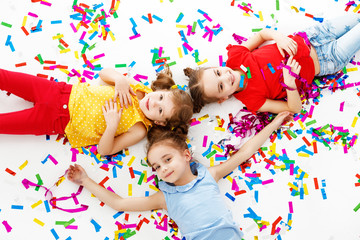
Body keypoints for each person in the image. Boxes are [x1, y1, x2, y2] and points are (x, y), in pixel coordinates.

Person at [67, 111, 293, 239]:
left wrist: (273, 124)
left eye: (167, 159)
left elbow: (244, 152)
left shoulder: (209, 175)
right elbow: (119, 203)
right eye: (156, 167)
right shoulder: (165, 197)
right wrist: (85, 181)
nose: (162, 168)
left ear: (187, 155)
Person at [184, 14, 360, 114]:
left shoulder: (235, 56)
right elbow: (294, 108)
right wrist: (290, 84)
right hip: (329, 59)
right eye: (221, 86)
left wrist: (279, 38)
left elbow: (261, 35)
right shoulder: (253, 101)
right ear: (223, 98)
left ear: (216, 67)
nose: (225, 77)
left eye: (217, 73)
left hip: (315, 35)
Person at [0, 66, 193, 155]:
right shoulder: (140, 89)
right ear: (162, 91)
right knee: (5, 77)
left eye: (160, 111)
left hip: (57, 120)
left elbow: (105, 150)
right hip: (59, 92)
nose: (154, 103)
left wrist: (112, 126)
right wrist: (119, 79)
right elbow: (103, 74)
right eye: (160, 97)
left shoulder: (139, 129)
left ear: (159, 122)